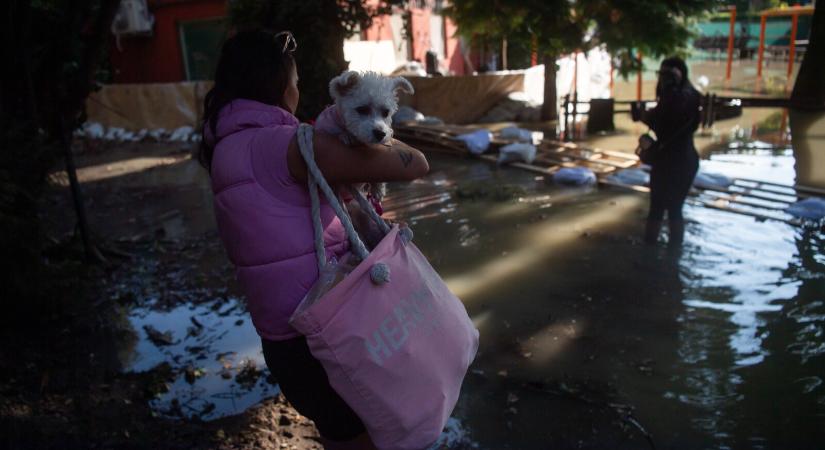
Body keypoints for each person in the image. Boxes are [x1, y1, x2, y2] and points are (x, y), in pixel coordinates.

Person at [199, 30, 429, 450]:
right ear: (280, 85)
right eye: (297, 81)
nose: (298, 90)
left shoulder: (224, 146)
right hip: (326, 334)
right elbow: (416, 164)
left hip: (281, 343)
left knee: (339, 434)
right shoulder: (285, 145)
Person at [631, 56, 701, 247]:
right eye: (662, 74)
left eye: (668, 74)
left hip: (680, 162)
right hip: (667, 161)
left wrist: (671, 87)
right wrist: (642, 116)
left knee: (674, 208)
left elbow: (673, 117)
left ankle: (672, 252)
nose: (664, 79)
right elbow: (661, 120)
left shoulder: (687, 96)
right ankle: (651, 250)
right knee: (657, 208)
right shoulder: (672, 97)